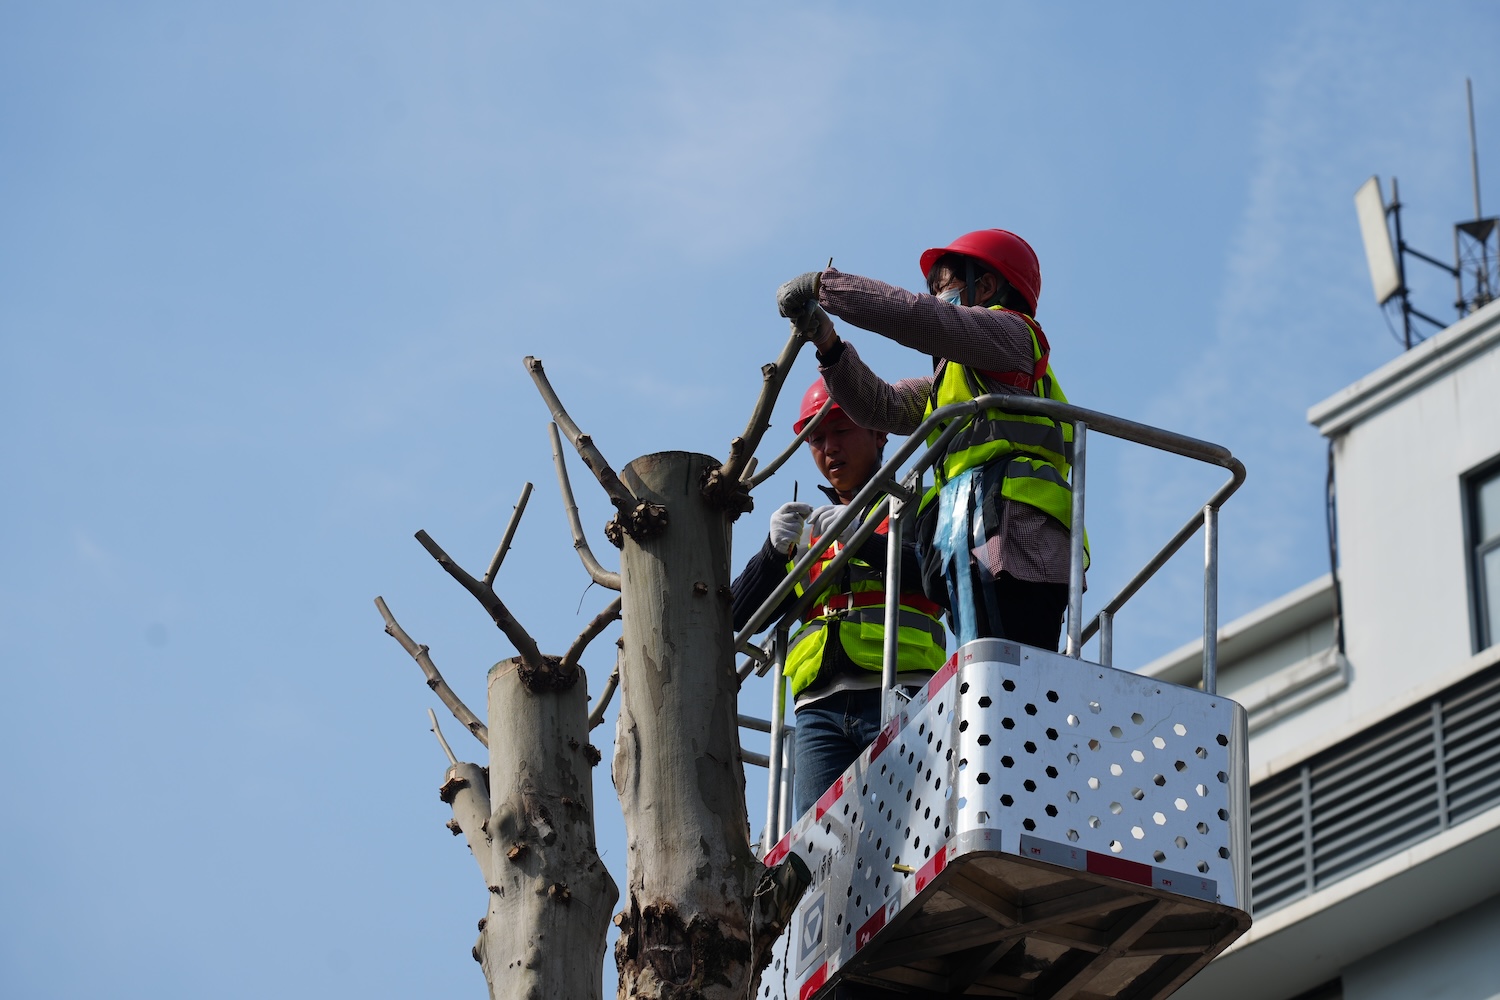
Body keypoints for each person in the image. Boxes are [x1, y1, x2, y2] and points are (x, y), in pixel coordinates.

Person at [774, 228, 1085, 651]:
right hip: (977, 537)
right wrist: (828, 345)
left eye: (945, 290)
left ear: (988, 285)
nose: (939, 301)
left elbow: (924, 319)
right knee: (993, 665)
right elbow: (880, 406)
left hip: (1021, 537)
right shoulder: (952, 382)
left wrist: (825, 287)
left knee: (1016, 666)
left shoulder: (1013, 338)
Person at [732, 379, 947, 817]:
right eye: (816, 437)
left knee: (908, 826)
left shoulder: (916, 500)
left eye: (842, 430)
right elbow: (739, 612)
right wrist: (772, 554)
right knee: (818, 854)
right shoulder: (807, 532)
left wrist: (860, 538)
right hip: (818, 711)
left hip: (900, 689)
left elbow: (936, 576)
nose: (829, 448)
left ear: (878, 433)